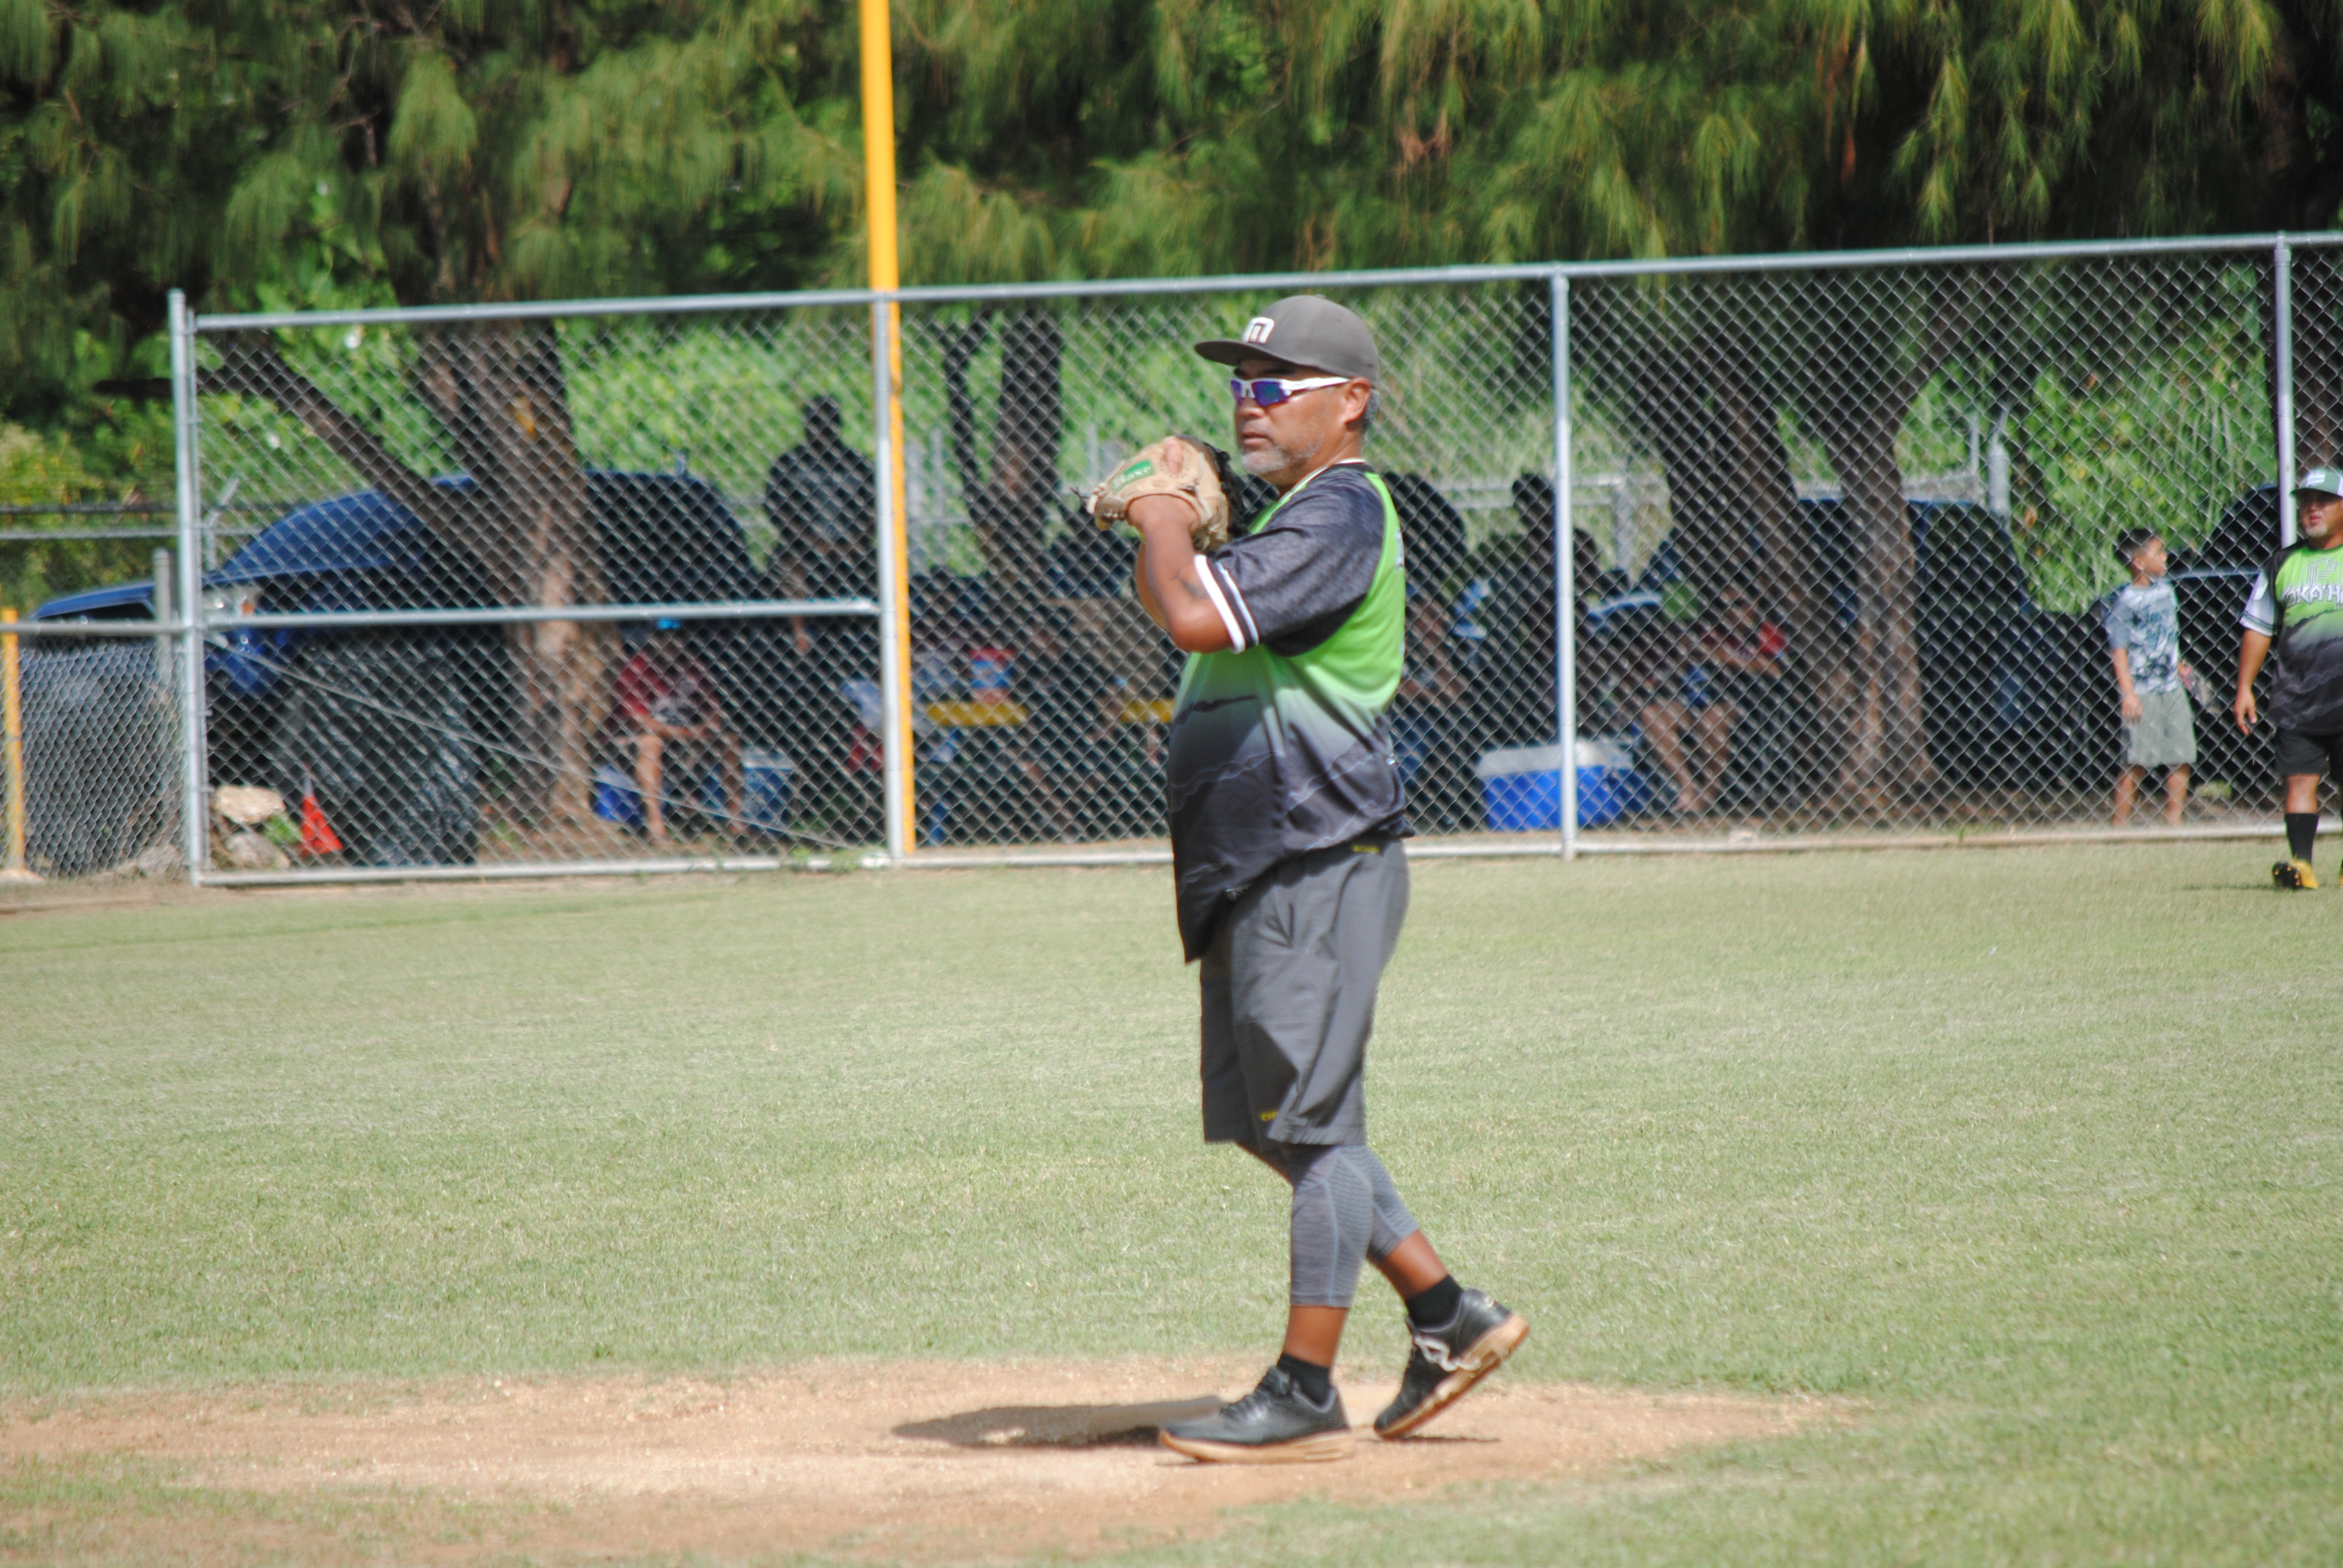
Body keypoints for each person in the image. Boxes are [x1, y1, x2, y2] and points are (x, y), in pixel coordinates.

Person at [1123, 295, 1527, 1463]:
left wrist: (1159, 510)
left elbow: (1191, 614)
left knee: (1313, 1121)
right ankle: (1450, 1312)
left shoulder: (1343, 512)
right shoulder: (1294, 517)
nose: (1249, 398)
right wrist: (1174, 534)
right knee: (1277, 1124)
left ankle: (1304, 1385)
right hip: (1263, 860)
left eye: (1278, 379)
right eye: (1241, 380)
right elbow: (1179, 597)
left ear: (1350, 402)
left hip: (1315, 851)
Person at [2235, 468, 2343, 888]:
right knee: (2299, 779)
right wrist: (2245, 686)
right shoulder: (2282, 563)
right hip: (2299, 695)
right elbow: (2259, 628)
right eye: (2306, 502)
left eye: (2324, 501)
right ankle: (2302, 865)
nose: (2312, 509)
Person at [1637, 586, 1786, 814]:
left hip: (1743, 702)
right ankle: (1687, 787)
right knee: (1653, 714)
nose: (1731, 612)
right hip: (1696, 700)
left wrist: (1725, 657)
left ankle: (1709, 792)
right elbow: (1666, 676)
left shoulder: (1765, 633)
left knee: (1712, 720)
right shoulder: (1711, 633)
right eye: (1724, 606)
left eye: (1738, 604)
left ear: (1753, 604)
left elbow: (1777, 670)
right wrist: (1686, 656)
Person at [603, 619, 741, 846]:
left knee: (730, 740)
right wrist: (687, 733)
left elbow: (713, 710)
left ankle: (737, 825)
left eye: (676, 637)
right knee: (651, 742)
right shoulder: (637, 667)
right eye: (662, 637)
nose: (670, 643)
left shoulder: (693, 668)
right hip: (632, 741)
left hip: (686, 737)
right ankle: (656, 826)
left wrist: (708, 726)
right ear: (651, 639)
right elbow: (638, 721)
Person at [2103, 528, 2196, 827]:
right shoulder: (2125, 603)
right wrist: (2128, 694)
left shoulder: (2167, 590)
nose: (2165, 556)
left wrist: (2179, 664)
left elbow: (2169, 635)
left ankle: (2174, 821)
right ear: (2138, 562)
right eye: (2158, 553)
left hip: (2171, 685)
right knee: (2137, 761)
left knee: (2182, 754)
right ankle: (2119, 824)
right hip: (2142, 689)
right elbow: (2119, 651)